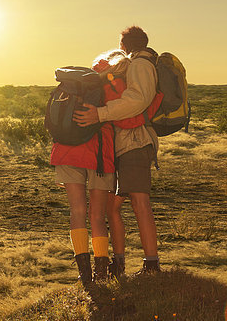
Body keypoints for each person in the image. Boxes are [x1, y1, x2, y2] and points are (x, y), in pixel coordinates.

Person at [73, 26, 161, 275]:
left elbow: (138, 100)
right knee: (112, 206)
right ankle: (119, 262)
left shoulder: (141, 65)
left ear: (124, 45)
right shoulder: (133, 65)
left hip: (135, 141)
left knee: (139, 202)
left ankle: (151, 264)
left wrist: (100, 114)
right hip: (120, 144)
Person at [50, 51, 125, 284]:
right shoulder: (115, 84)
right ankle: (101, 271)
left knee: (77, 211)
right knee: (97, 215)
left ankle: (84, 274)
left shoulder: (72, 87)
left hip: (67, 150)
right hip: (99, 154)